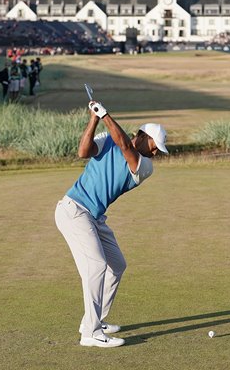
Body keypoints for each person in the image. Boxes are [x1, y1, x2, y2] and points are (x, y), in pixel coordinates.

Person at [54, 98, 168, 348]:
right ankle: (91, 334)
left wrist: (105, 114)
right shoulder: (108, 139)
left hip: (93, 216)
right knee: (96, 267)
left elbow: (126, 146)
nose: (156, 152)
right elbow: (83, 152)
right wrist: (94, 118)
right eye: (155, 145)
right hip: (74, 210)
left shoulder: (145, 166)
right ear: (143, 135)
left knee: (116, 264)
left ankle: (93, 321)